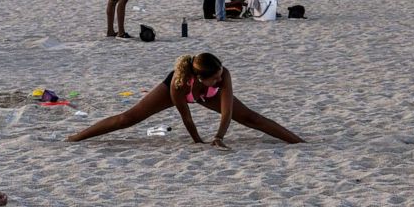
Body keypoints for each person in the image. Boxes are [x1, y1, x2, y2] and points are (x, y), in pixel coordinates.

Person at [66, 53, 303, 148]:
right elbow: (186, 118)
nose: (221, 79)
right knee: (129, 118)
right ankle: (77, 137)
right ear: (200, 77)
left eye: (222, 74)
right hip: (183, 90)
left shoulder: (223, 75)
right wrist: (198, 142)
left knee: (251, 117)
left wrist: (218, 137)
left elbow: (227, 111)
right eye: (216, 78)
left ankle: (298, 141)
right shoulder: (178, 85)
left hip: (204, 94)